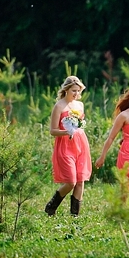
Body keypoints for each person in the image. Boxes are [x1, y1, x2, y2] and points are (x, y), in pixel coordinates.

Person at [44, 76, 92, 217]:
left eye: (78, 91)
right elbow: (52, 131)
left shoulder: (80, 105)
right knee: (71, 181)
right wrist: (67, 131)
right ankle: (51, 206)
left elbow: (80, 123)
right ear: (66, 90)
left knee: (80, 180)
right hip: (65, 145)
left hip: (80, 143)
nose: (76, 94)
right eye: (73, 91)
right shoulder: (59, 106)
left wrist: (80, 126)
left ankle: (74, 215)